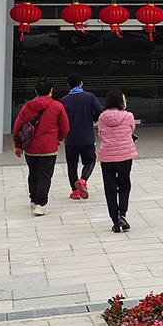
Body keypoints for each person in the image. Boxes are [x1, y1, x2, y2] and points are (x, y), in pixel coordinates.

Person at [12, 79, 70, 216]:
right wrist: (59, 139)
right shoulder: (57, 106)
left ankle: (33, 199)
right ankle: (40, 204)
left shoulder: (27, 106)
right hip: (49, 148)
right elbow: (65, 127)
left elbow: (17, 127)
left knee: (33, 173)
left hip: (30, 148)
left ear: (36, 91)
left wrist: (17, 146)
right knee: (45, 175)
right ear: (51, 91)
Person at [99, 89, 138, 233]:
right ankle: (123, 214)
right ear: (121, 102)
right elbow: (131, 130)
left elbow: (101, 134)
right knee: (124, 185)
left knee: (110, 190)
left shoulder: (102, 117)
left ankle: (114, 221)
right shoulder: (128, 116)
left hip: (107, 156)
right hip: (124, 156)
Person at [60, 73, 104, 200]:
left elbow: (61, 119)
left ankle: (75, 191)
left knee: (71, 164)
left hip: (70, 138)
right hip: (86, 136)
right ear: (81, 83)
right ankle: (83, 180)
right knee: (90, 160)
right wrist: (92, 119)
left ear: (68, 85)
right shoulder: (89, 97)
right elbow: (100, 111)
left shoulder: (64, 100)